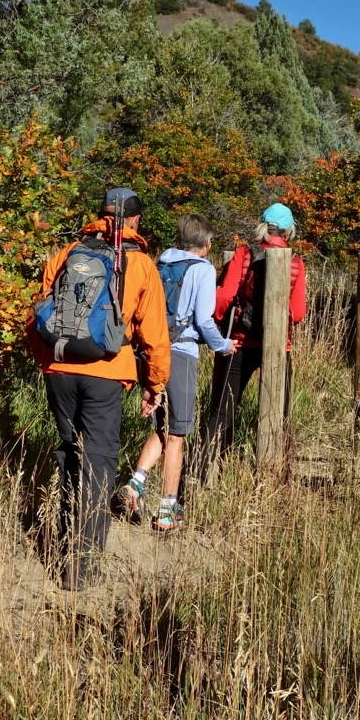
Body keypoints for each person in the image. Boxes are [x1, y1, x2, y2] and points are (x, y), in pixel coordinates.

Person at [29, 188, 169, 588]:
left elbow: (41, 309)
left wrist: (48, 361)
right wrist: (154, 384)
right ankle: (81, 569)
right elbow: (155, 335)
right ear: (135, 221)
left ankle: (63, 553)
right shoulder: (140, 264)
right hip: (108, 371)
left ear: (100, 217)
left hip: (58, 368)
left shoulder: (66, 254)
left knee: (70, 456)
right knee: (98, 464)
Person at [119, 214, 234, 532]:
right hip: (181, 355)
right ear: (206, 243)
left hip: (150, 353)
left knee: (162, 426)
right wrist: (223, 345)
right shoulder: (204, 270)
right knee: (177, 434)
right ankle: (168, 510)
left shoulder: (161, 263)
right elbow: (204, 319)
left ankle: (135, 485)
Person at [195, 202, 307, 477]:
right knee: (277, 415)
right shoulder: (295, 262)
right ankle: (273, 478)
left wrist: (221, 323)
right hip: (280, 346)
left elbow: (223, 296)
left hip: (238, 343)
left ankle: (205, 474)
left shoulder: (244, 254)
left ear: (262, 226)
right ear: (289, 230)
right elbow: (299, 313)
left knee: (221, 412)